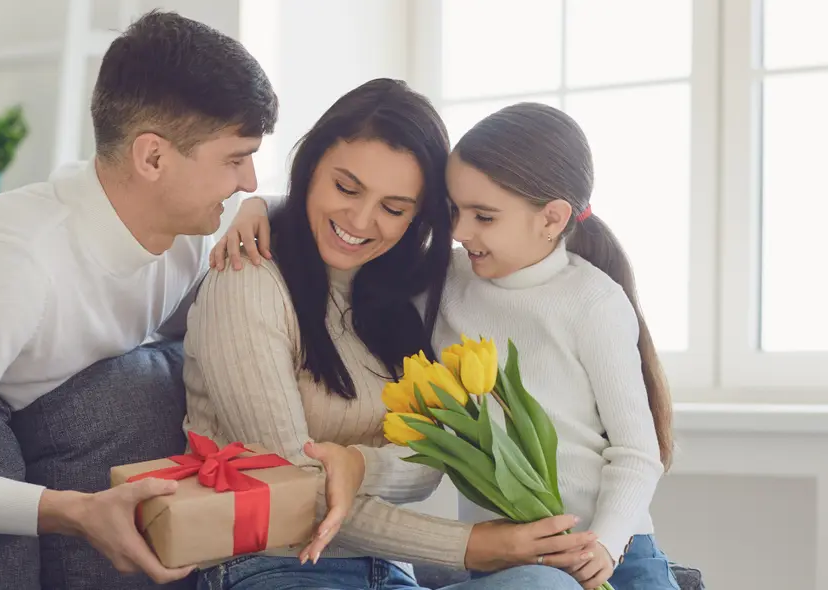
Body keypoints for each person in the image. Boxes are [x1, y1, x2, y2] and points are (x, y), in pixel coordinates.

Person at [0, 10, 277, 585]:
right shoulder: (12, 268)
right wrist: (70, 511)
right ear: (153, 158)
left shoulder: (184, 238)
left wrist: (268, 210)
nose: (248, 182)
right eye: (235, 159)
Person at [185, 79, 592, 590]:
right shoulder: (247, 280)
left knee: (543, 586)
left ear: (418, 219)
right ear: (309, 170)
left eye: (394, 209)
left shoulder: (408, 295)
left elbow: (426, 459)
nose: (360, 219)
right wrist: (472, 545)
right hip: (270, 566)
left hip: (390, 573)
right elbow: (292, 484)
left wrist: (356, 465)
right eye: (346, 188)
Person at [434, 102, 678, 590]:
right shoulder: (444, 282)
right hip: (509, 561)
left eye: (484, 216)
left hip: (615, 552)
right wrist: (259, 208)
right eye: (454, 210)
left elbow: (636, 452)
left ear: (552, 218)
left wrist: (604, 545)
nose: (460, 233)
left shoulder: (593, 303)